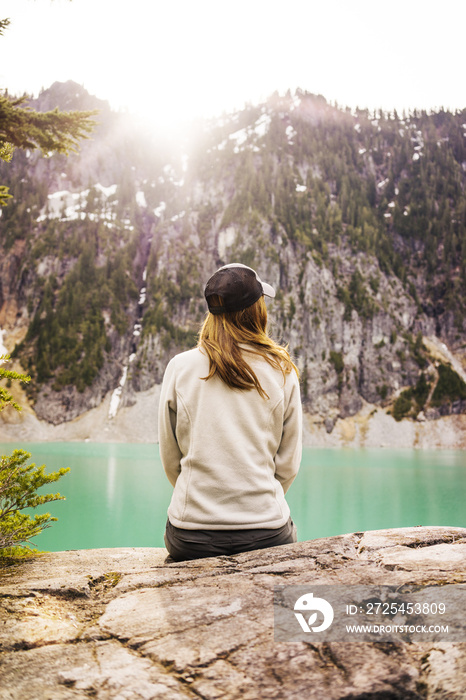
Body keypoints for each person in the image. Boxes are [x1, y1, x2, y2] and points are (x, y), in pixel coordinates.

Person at [158, 262, 302, 561]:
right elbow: (287, 466)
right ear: (257, 310)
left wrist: (203, 500)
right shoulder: (282, 369)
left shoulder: (180, 367)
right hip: (267, 531)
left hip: (191, 534)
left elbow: (171, 459)